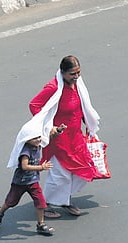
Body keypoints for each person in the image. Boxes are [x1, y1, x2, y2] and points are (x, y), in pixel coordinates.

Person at [29, 55, 101, 218]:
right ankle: (46, 204)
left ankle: (63, 200)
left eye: (78, 73)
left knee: (83, 168)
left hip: (76, 136)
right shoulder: (53, 87)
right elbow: (34, 105)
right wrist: (49, 127)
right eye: (72, 74)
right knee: (60, 174)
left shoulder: (77, 85)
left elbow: (81, 107)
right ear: (62, 73)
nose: (76, 77)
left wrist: (88, 123)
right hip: (59, 139)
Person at [0, 129, 64, 235]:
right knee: (11, 202)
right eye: (34, 138)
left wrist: (58, 130)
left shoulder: (38, 145)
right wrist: (41, 167)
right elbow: (24, 166)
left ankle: (41, 225)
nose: (38, 140)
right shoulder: (26, 151)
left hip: (33, 181)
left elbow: (48, 135)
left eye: (39, 137)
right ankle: (0, 211)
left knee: (40, 202)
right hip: (20, 182)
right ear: (27, 140)